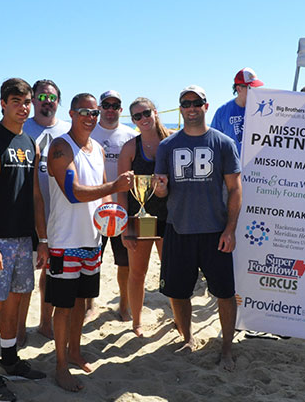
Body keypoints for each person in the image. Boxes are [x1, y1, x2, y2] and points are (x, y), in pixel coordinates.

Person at [45, 93, 133, 392]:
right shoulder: (60, 146)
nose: (91, 117)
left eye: (94, 113)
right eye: (85, 111)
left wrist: (114, 216)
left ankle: (74, 352)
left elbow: (102, 194)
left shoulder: (95, 147)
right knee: (64, 306)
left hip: (92, 239)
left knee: (82, 303)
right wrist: (115, 186)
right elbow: (73, 192)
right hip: (64, 240)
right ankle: (59, 365)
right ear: (71, 113)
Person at [153, 85, 242, 371]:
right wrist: (160, 189)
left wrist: (230, 230)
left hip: (215, 232)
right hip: (179, 230)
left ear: (205, 105)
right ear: (180, 108)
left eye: (196, 102)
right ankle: (188, 338)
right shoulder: (167, 146)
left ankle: (226, 349)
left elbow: (235, 189)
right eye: (185, 103)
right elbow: (161, 193)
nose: (190, 107)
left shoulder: (223, 143)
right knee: (178, 293)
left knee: (225, 294)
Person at [0, 78, 47, 401]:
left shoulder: (31, 142)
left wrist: (42, 239)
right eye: (16, 100)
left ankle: (10, 359)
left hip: (23, 238)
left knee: (16, 302)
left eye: (27, 101)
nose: (23, 106)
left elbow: (35, 195)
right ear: (3, 103)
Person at [20, 79, 71, 344]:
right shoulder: (21, 128)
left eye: (51, 97)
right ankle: (18, 329)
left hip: (60, 216)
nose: (46, 101)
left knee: (52, 274)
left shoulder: (68, 130)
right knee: (25, 277)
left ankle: (44, 323)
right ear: (33, 100)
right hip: (27, 216)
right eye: (41, 97)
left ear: (58, 101)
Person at [117, 97, 170, 337]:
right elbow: (121, 190)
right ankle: (136, 322)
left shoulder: (172, 141)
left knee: (171, 271)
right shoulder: (130, 148)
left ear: (155, 112)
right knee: (138, 273)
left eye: (146, 113)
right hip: (141, 218)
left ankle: (176, 317)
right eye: (136, 116)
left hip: (170, 217)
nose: (142, 119)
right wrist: (124, 225)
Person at [90, 90, 138, 322]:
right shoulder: (89, 131)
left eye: (115, 105)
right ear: (99, 107)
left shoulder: (130, 135)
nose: (110, 109)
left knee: (125, 262)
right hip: (93, 206)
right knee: (91, 259)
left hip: (122, 206)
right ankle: (91, 305)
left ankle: (124, 305)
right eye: (106, 105)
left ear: (121, 109)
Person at [210, 67, 264, 153]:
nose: (254, 91)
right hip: (231, 165)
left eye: (256, 88)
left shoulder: (263, 110)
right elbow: (213, 142)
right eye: (251, 88)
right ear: (239, 89)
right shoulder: (222, 112)